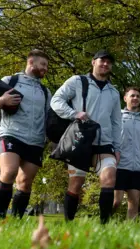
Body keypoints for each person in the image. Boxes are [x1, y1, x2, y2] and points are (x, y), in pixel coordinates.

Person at [51, 49, 122, 223]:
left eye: (108, 62)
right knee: (75, 185)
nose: (105, 64)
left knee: (109, 178)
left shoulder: (114, 92)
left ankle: (104, 226)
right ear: (93, 62)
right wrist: (74, 113)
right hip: (80, 140)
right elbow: (56, 101)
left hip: (104, 143)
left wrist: (117, 147)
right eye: (101, 60)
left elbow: (116, 122)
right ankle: (69, 223)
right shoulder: (77, 81)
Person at [0, 49, 51, 219]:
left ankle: (16, 221)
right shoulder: (10, 81)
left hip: (36, 141)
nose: (45, 69)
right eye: (43, 64)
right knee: (9, 172)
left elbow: (48, 118)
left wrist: (51, 139)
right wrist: (1, 101)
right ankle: (1, 218)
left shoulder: (45, 91)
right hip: (11, 133)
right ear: (31, 63)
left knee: (25, 183)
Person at [112, 87, 140, 220]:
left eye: (137, 96)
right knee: (116, 202)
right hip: (119, 166)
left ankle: (129, 237)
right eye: (132, 96)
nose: (135, 98)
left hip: (137, 168)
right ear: (125, 99)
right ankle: (103, 224)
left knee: (134, 205)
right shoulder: (117, 117)